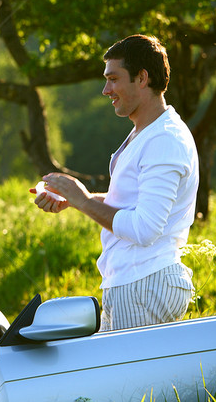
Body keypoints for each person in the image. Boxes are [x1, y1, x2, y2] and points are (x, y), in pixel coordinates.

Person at [31, 34, 198, 331]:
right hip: (133, 284)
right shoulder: (147, 132)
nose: (106, 90)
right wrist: (75, 199)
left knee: (132, 379)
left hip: (143, 284)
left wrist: (83, 200)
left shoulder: (164, 140)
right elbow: (130, 204)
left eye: (113, 79)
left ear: (142, 78)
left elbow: (145, 229)